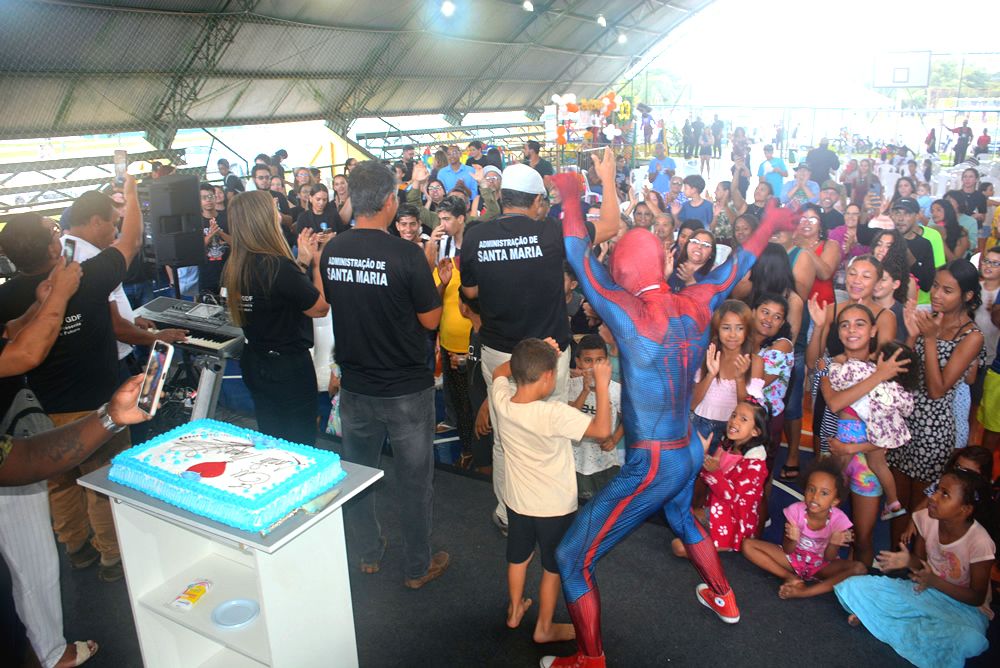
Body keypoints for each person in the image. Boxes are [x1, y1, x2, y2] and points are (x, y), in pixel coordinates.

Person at [541, 156, 797, 668]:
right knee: (681, 514)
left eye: (616, 264)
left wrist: (572, 195)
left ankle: (590, 659)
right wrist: (770, 221)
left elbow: (573, 249)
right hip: (684, 451)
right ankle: (723, 595)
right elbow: (740, 265)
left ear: (624, 272)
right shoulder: (697, 301)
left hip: (653, 461)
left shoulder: (627, 311)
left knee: (572, 557)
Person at [0, 178, 143, 584]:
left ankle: (75, 547)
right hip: (97, 405)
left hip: (41, 411)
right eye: (52, 233)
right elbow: (130, 241)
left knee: (59, 482)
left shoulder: (7, 298)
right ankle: (112, 556)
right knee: (103, 478)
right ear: (51, 249)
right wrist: (132, 198)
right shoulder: (86, 276)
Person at [319, 160, 448, 589]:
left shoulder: (333, 249)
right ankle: (417, 567)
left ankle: (369, 554)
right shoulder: (407, 255)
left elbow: (334, 303)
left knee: (358, 477)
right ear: (391, 201)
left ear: (353, 199)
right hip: (407, 390)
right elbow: (430, 321)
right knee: (415, 484)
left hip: (356, 385)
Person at [460, 163, 577, 536]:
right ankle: (551, 512)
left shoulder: (476, 236)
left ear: (499, 196)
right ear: (538, 201)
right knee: (551, 432)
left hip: (499, 352)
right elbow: (603, 230)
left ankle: (510, 515)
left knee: (505, 435)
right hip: (548, 353)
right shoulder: (550, 232)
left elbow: (471, 293)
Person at [492, 338, 611, 643]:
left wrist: (534, 354)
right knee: (552, 567)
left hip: (517, 503)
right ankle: (544, 627)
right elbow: (602, 431)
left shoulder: (502, 400)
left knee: (518, 557)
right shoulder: (554, 414)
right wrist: (602, 384)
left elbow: (499, 373)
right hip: (554, 509)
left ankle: (515, 610)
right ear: (547, 377)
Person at [834, 469, 995, 668]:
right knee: (854, 586)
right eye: (937, 489)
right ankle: (900, 624)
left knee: (969, 639)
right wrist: (908, 561)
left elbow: (977, 597)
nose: (934, 497)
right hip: (926, 591)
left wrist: (934, 580)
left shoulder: (980, 542)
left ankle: (883, 621)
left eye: (945, 494)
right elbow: (920, 562)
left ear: (965, 509)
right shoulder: (925, 518)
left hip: (965, 609)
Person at [889, 261, 986, 545]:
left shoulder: (972, 336)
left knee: (921, 513)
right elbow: (906, 370)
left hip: (932, 433)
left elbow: (937, 389)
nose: (937, 295)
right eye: (935, 287)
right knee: (897, 504)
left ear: (967, 296)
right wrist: (911, 335)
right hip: (905, 422)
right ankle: (894, 561)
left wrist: (929, 339)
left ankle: (911, 567)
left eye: (948, 290)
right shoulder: (929, 318)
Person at [222, 191, 328, 446]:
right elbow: (319, 308)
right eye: (274, 210)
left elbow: (280, 296)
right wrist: (317, 264)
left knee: (272, 437)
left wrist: (300, 264)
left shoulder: (236, 265)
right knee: (299, 445)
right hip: (288, 369)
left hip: (256, 362)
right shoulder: (278, 266)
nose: (279, 214)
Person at [824, 317, 918, 521]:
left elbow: (838, 382)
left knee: (838, 471)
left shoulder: (861, 369)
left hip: (851, 431)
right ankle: (893, 501)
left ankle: (831, 504)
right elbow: (907, 408)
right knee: (879, 466)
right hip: (879, 437)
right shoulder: (900, 388)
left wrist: (833, 367)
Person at [741, 459, 866, 599]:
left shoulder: (839, 520)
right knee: (747, 545)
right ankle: (790, 577)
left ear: (835, 501)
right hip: (794, 559)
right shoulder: (795, 511)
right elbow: (788, 550)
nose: (815, 496)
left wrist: (833, 543)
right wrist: (792, 539)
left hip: (822, 565)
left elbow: (829, 558)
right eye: (811, 489)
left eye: (824, 493)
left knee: (858, 569)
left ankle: (805, 592)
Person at [673, 398, 771, 557]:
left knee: (679, 546)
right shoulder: (727, 445)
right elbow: (707, 477)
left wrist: (715, 472)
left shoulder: (756, 464)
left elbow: (732, 498)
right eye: (734, 415)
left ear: (756, 431)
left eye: (743, 419)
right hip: (716, 511)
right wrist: (703, 455)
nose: (734, 421)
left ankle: (725, 545)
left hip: (734, 522)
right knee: (677, 519)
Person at [690, 301, 757, 446]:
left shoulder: (755, 362)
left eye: (739, 328)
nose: (733, 334)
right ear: (716, 330)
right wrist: (710, 375)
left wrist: (740, 379)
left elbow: (749, 410)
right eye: (726, 328)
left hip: (733, 431)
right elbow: (692, 404)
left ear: (747, 330)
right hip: (698, 424)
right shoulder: (707, 355)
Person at [567, 335, 623, 501]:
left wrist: (615, 438)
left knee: (602, 507)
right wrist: (584, 392)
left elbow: (628, 418)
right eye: (588, 360)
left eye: (599, 360)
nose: (593, 366)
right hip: (574, 459)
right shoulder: (571, 386)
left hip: (604, 462)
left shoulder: (616, 389)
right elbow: (569, 417)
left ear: (607, 363)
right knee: (575, 505)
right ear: (578, 362)